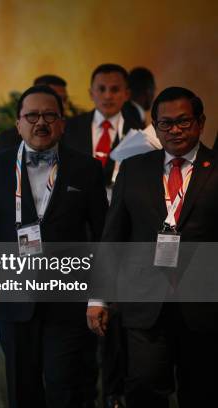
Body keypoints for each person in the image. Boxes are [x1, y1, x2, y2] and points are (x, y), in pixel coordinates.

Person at [0, 85, 108, 408]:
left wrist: (99, 297)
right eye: (32, 115)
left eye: (50, 115)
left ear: (62, 123)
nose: (41, 123)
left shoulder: (86, 169)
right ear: (18, 123)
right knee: (22, 389)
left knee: (65, 385)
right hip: (14, 300)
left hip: (68, 300)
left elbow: (105, 236)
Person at [87, 87, 218, 407]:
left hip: (203, 306)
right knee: (144, 387)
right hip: (145, 303)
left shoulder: (215, 168)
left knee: (201, 391)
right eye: (166, 123)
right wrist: (99, 297)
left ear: (200, 123)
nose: (174, 130)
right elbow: (113, 236)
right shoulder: (134, 169)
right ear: (155, 126)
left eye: (184, 122)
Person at [63, 64, 143, 186]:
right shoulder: (70, 127)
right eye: (101, 89)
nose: (108, 96)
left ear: (127, 94)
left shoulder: (138, 133)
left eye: (115, 89)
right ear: (91, 93)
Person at [0, 74, 73, 153]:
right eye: (56, 99)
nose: (64, 105)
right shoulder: (9, 139)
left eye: (65, 100)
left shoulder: (74, 132)